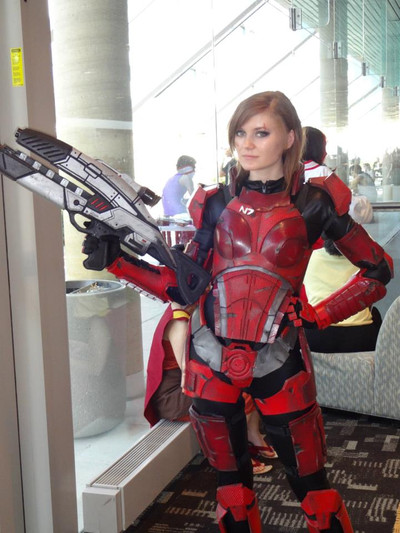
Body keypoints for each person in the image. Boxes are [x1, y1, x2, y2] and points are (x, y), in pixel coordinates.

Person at [82, 91, 393, 532]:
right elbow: (185, 285)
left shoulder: (314, 204)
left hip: (280, 358)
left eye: (261, 133)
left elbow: (378, 270)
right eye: (240, 133)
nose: (246, 143)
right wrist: (117, 262)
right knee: (231, 491)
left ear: (290, 137)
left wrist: (320, 315)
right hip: (212, 356)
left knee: (314, 489)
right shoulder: (213, 202)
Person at [144, 302, 276, 475]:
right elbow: (189, 372)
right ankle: (235, 455)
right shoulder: (179, 323)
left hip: (194, 381)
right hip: (175, 394)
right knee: (236, 394)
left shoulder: (193, 310)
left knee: (254, 379)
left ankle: (252, 434)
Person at [303, 239, 382, 353]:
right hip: (360, 338)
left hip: (318, 338)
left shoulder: (308, 258)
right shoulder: (364, 260)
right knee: (375, 313)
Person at [303, 126, 373, 225]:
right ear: (317, 149)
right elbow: (351, 207)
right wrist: (364, 202)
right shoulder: (323, 173)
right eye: (324, 147)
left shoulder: (289, 173)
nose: (326, 153)